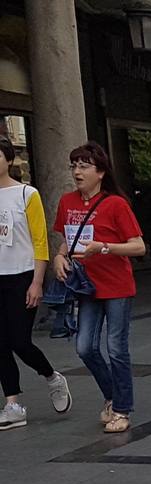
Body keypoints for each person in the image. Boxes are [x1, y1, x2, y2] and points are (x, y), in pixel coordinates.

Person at [53, 142, 144, 434]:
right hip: (86, 286)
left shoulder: (115, 204)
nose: (77, 172)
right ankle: (112, 395)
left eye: (84, 166)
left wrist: (103, 248)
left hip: (116, 285)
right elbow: (67, 238)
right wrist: (58, 256)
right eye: (74, 165)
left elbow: (138, 246)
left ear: (100, 172)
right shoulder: (67, 202)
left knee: (116, 348)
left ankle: (122, 409)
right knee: (84, 347)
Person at [0, 135, 71, 431]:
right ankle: (13, 404)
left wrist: (38, 282)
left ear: (9, 159)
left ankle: (52, 377)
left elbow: (40, 241)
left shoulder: (27, 194)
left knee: (20, 341)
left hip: (23, 276)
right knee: (0, 344)